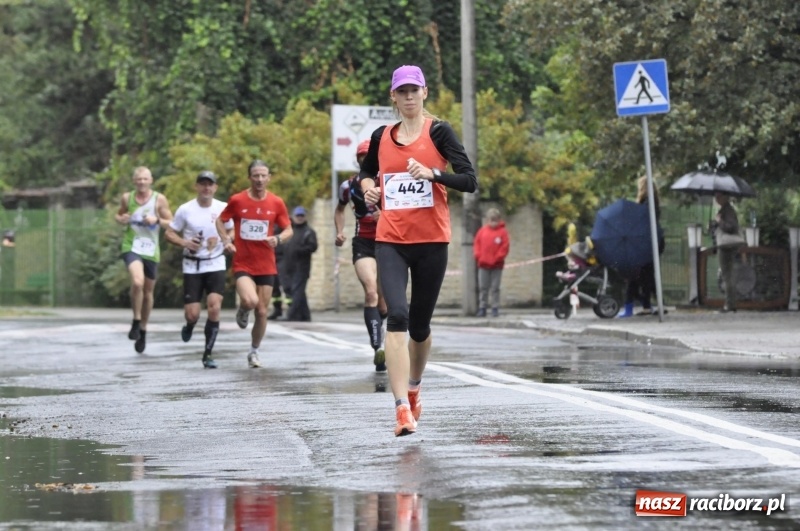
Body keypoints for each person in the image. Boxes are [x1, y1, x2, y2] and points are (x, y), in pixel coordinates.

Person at [357, 64, 477, 436]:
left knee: (420, 327)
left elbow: (470, 180)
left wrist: (433, 174)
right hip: (391, 240)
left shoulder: (439, 131)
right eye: (402, 91)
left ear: (424, 93)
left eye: (415, 90)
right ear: (393, 97)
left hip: (431, 242)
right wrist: (368, 190)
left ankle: (414, 388)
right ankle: (399, 410)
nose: (409, 97)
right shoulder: (381, 136)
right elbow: (365, 172)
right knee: (398, 316)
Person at [215, 160, 293, 368]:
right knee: (249, 301)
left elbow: (288, 230)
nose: (259, 179)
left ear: (269, 178)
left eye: (263, 175)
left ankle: (254, 351)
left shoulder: (276, 202)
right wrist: (226, 241)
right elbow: (220, 220)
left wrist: (278, 239)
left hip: (266, 264)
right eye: (255, 175)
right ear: (249, 177)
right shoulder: (238, 200)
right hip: (243, 263)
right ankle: (242, 310)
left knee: (261, 311)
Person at [164, 170, 231, 369]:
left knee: (214, 306)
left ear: (215, 187)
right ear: (196, 187)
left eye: (210, 184)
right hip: (192, 265)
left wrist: (225, 240)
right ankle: (190, 325)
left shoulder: (223, 208)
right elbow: (169, 232)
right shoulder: (185, 210)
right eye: (202, 184)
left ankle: (208, 353)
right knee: (192, 314)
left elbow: (233, 228)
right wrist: (185, 242)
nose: (206, 188)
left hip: (216, 262)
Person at [335, 139, 388, 371]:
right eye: (362, 156)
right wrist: (339, 231)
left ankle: (383, 341)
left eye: (369, 156)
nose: (365, 160)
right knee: (371, 293)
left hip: (388, 243)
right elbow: (339, 209)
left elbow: (405, 211)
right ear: (358, 160)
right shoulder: (348, 186)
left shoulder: (388, 183)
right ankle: (377, 347)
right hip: (363, 244)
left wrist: (384, 217)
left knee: (385, 305)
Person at [115, 166, 173, 353]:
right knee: (137, 282)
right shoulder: (127, 198)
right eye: (138, 179)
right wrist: (122, 219)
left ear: (151, 180)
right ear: (134, 181)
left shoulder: (159, 199)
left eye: (145, 179)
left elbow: (172, 223)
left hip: (151, 249)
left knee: (148, 292)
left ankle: (143, 328)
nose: (141, 182)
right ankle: (136, 319)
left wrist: (156, 220)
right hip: (131, 246)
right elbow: (119, 214)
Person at [619, 176, 663, 318]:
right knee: (646, 275)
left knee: (638, 275)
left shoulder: (646, 203)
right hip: (651, 243)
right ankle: (650, 305)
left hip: (644, 244)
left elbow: (642, 221)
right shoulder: (653, 202)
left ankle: (637, 307)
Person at [473, 208, 510, 318]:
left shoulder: (503, 232)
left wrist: (497, 258)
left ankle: (495, 308)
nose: (493, 222)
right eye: (491, 219)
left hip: (497, 266)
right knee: (483, 288)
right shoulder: (482, 231)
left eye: (495, 219)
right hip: (483, 265)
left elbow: (505, 247)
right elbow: (477, 245)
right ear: (488, 220)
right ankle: (482, 308)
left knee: (495, 288)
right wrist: (478, 257)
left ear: (499, 220)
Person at [283, 206, 318, 322]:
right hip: (289, 266)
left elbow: (313, 247)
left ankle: (291, 315)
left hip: (302, 267)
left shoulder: (308, 232)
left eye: (301, 216)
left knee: (297, 291)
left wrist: (300, 249)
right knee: (296, 291)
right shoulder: (289, 231)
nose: (299, 218)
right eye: (297, 216)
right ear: (293, 216)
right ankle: (305, 316)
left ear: (305, 217)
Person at [714, 192, 741, 312]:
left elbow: (731, 227)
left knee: (727, 274)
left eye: (719, 196)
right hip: (727, 245)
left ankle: (730, 304)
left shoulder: (728, 210)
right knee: (727, 274)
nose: (716, 198)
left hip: (726, 246)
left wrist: (719, 221)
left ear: (725, 197)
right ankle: (730, 303)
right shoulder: (725, 209)